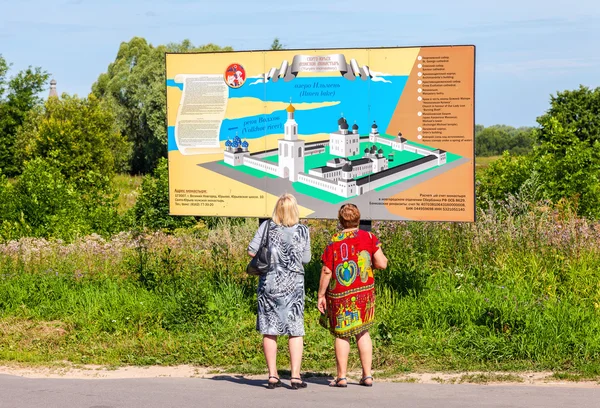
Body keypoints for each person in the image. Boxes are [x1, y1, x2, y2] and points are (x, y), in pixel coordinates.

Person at [317, 203, 388, 387]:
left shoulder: (334, 241)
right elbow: (382, 264)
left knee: (342, 334)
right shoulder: (369, 237)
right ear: (358, 219)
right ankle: (367, 375)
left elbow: (326, 270)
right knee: (362, 331)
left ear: (341, 222)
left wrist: (320, 295)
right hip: (364, 293)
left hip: (341, 295)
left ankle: (341, 377)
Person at [247, 193, 311, 390]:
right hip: (294, 287)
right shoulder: (302, 230)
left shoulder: (266, 226)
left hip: (269, 285)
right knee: (295, 330)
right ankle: (295, 376)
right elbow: (306, 259)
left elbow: (251, 251)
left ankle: (273, 375)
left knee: (270, 328)